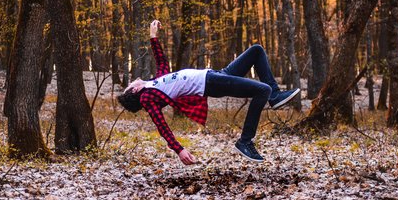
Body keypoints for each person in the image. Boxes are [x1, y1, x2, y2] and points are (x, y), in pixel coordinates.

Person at [117, 20, 300, 165]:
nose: (135, 80)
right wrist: (179, 149)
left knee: (257, 51)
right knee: (262, 90)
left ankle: (275, 97)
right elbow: (161, 125)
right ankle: (245, 141)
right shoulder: (148, 97)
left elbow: (162, 61)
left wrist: (153, 36)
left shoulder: (154, 83)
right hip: (210, 83)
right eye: (131, 84)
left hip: (216, 74)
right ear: (134, 90)